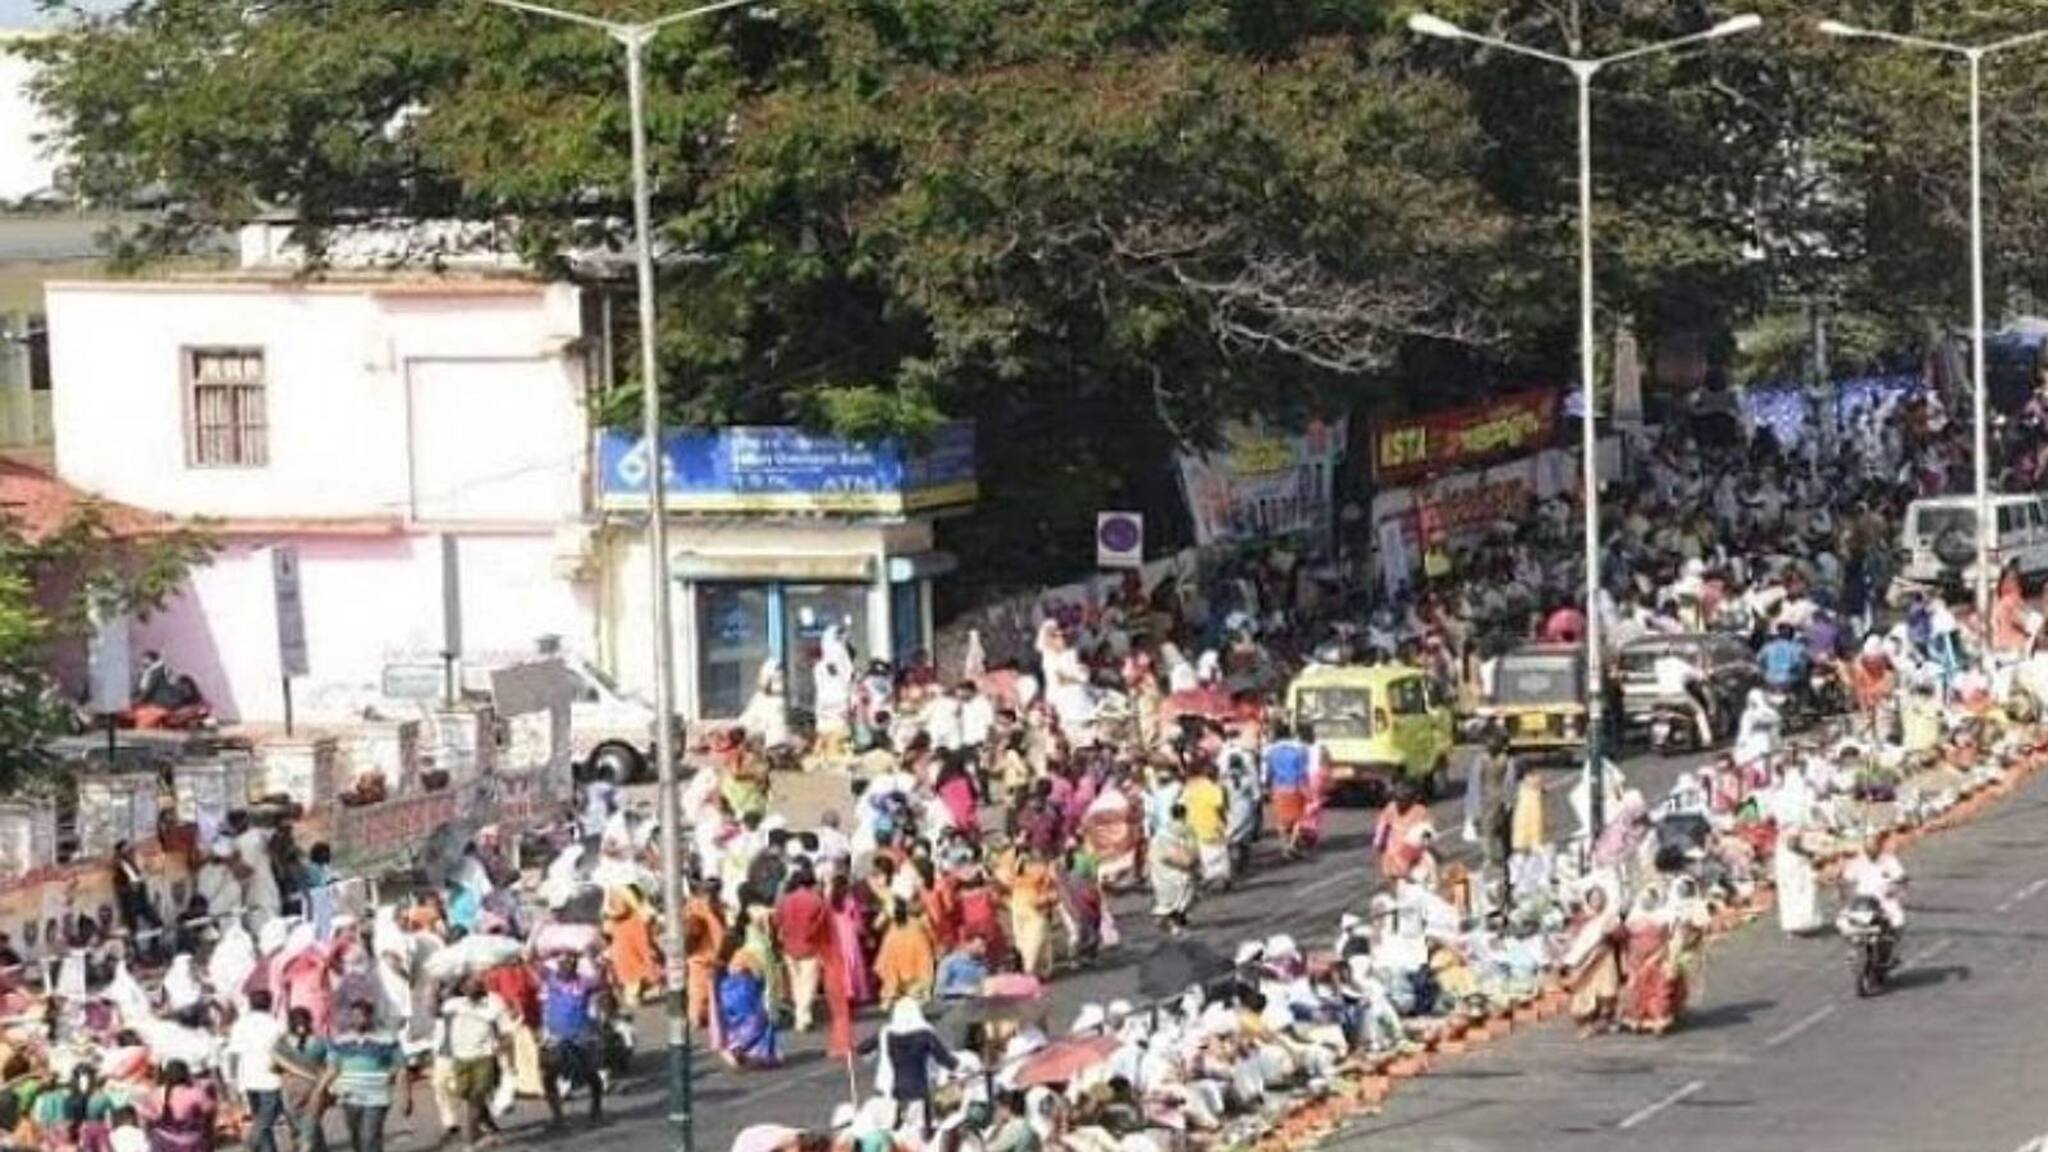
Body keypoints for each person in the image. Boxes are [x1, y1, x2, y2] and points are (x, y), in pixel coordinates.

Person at [436, 978, 508, 1150]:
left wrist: (504, 1057)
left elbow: (504, 1030)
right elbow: (436, 1012)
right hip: (460, 1057)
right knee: (465, 1096)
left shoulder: (494, 1002)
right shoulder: (454, 1004)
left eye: (476, 983)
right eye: (467, 984)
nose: (472, 987)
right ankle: (489, 1130)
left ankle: (469, 1142)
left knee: (474, 1098)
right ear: (462, 988)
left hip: (484, 1056)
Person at [322, 1000, 403, 1152]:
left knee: (369, 1136)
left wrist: (405, 1096)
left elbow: (400, 1067)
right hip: (349, 1096)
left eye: (361, 1016)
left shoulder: (387, 1039)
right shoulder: (341, 1041)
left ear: (370, 1017)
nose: (357, 1020)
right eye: (354, 1016)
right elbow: (332, 1068)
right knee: (356, 1137)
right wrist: (321, 1090)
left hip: (377, 1096)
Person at [874, 998, 957, 1135]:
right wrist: (960, 1065)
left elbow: (863, 1048)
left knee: (897, 1130)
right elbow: (945, 1059)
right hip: (920, 1091)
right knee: (924, 1130)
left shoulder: (887, 1033)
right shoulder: (925, 1033)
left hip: (896, 1091)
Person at [538, 955, 604, 1128]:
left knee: (590, 1074)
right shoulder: (552, 980)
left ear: (575, 967)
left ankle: (596, 1108)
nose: (566, 967)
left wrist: (594, 960)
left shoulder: (584, 983)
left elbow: (600, 982)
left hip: (581, 1036)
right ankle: (557, 1116)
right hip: (556, 1037)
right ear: (558, 966)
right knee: (549, 1076)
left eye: (570, 964)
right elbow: (534, 964)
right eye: (562, 964)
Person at [226, 990, 290, 1152]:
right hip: (271, 1080)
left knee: (260, 1117)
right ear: (270, 1004)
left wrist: (232, 1079)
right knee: (264, 1120)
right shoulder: (277, 1025)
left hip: (248, 1079)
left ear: (250, 1005)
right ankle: (251, 1142)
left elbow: (233, 1054)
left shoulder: (240, 1025)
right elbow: (287, 1054)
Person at [773, 865, 831, 1033]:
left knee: (796, 981)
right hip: (810, 946)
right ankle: (803, 1016)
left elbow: (776, 922)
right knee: (809, 983)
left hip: (789, 945)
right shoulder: (817, 901)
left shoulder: (784, 901)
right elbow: (823, 926)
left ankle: (802, 1014)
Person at [1842, 832, 1908, 958]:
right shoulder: (1856, 862)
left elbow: (1901, 878)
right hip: (1862, 900)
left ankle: (1891, 948)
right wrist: (1845, 894)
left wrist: (1895, 889)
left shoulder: (1889, 860)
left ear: (1879, 845)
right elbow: (1847, 879)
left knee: (1898, 920)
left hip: (1884, 900)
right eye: (1868, 846)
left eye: (1874, 845)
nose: (1871, 849)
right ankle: (1854, 948)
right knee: (1844, 921)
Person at [142, 1060, 216, 1152]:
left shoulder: (156, 1094)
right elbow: (210, 1116)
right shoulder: (196, 1094)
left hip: (163, 1143)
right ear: (186, 1074)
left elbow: (147, 1120)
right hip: (192, 1143)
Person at [1147, 804, 1198, 936]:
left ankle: (1170, 919)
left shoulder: (1162, 830)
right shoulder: (1185, 829)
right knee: (1183, 893)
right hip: (1176, 868)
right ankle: (1172, 921)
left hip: (1160, 869)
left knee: (1167, 896)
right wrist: (1191, 864)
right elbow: (1189, 853)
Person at [1263, 724, 1312, 857]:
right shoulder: (1300, 749)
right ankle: (1292, 844)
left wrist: (1266, 785)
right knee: (1298, 818)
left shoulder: (1272, 750)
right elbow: (1303, 771)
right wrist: (1306, 787)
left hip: (1279, 787)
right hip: (1295, 786)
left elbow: (1269, 770)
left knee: (1281, 820)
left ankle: (1284, 846)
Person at [1652, 646, 1714, 745]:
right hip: (1679, 696)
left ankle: (1660, 738)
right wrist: (1704, 675)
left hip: (1662, 697)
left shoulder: (1657, 664)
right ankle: (1706, 739)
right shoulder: (1679, 663)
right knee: (1700, 712)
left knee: (1662, 715)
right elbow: (1699, 675)